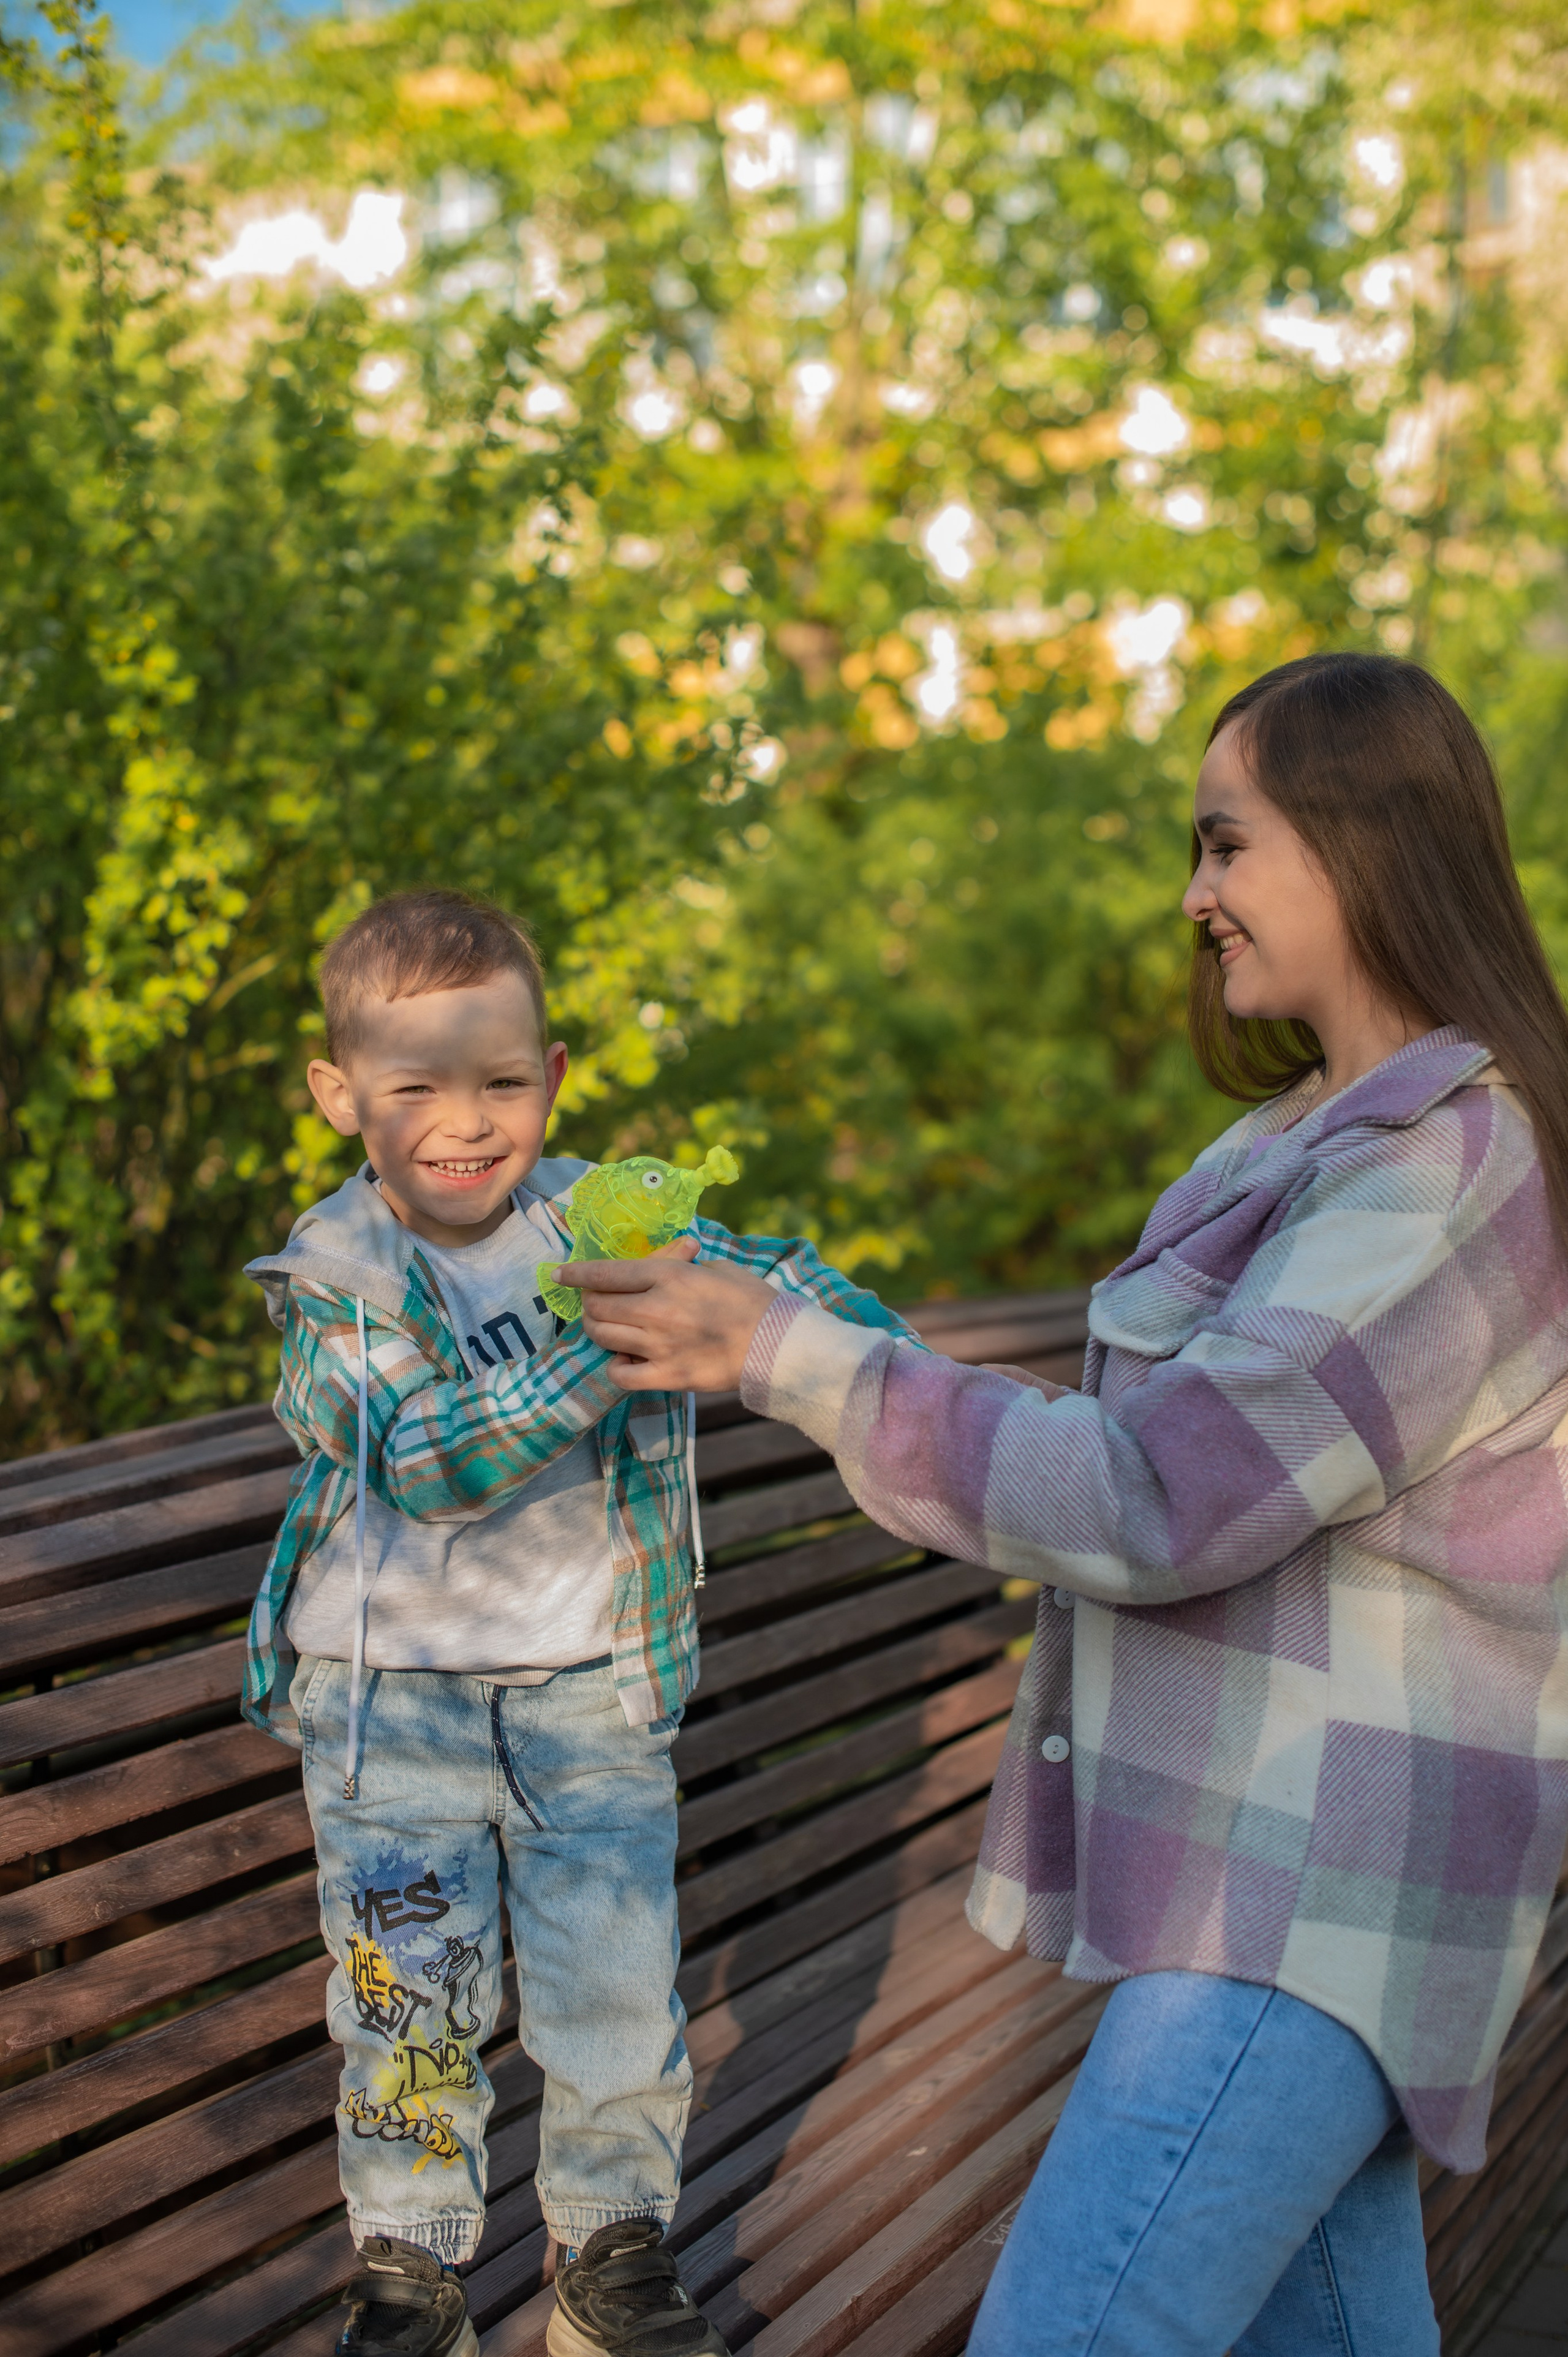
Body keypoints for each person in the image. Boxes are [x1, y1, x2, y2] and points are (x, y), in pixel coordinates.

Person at [559, 654, 1568, 2357]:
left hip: (1304, 1895)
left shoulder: (1448, 1169)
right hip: (1280, 1888)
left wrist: (787, 1357)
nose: (1195, 896)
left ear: (1362, 843)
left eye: (1226, 844)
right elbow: (1172, 1439)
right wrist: (800, 1326)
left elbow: (1162, 1493)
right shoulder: (1321, 1137)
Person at [242, 889, 916, 2357]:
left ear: (551, 1075)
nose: (463, 1122)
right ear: (339, 1094)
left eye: (501, 1081)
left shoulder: (603, 1217)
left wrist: (897, 1377)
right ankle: (411, 2272)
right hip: (392, 1711)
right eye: (414, 1089)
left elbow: (767, 1276)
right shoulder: (335, 1272)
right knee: (410, 2005)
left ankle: (609, 2254)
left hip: (589, 1692)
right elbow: (423, 1459)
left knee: (611, 1988)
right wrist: (610, 1348)